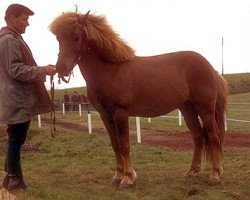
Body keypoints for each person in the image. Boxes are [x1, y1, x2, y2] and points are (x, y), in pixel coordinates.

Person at [0, 4, 56, 191]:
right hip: (17, 98)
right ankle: (15, 179)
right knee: (16, 138)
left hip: (14, 96)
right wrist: (43, 70)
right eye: (24, 19)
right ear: (11, 18)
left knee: (15, 137)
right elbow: (15, 69)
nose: (28, 23)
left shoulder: (10, 39)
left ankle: (10, 177)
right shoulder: (9, 40)